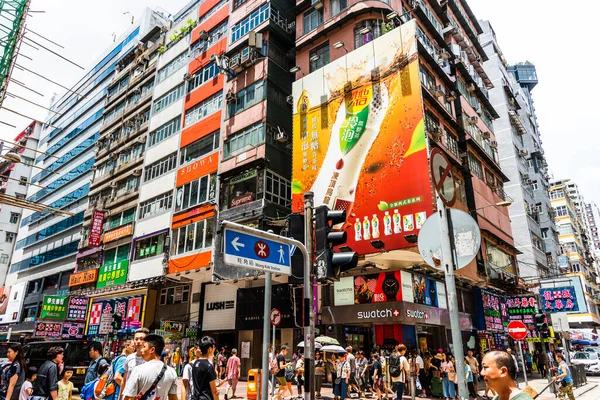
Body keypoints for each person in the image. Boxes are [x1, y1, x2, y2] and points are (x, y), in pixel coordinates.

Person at [122, 334, 178, 400]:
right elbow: (173, 397)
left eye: (144, 347)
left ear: (152, 350)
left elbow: (129, 397)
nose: (141, 350)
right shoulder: (171, 372)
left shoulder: (138, 370)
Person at [121, 327, 149, 400]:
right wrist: (120, 397)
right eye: (136, 339)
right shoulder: (129, 358)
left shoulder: (151, 360)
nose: (138, 341)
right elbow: (124, 380)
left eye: (141, 339)